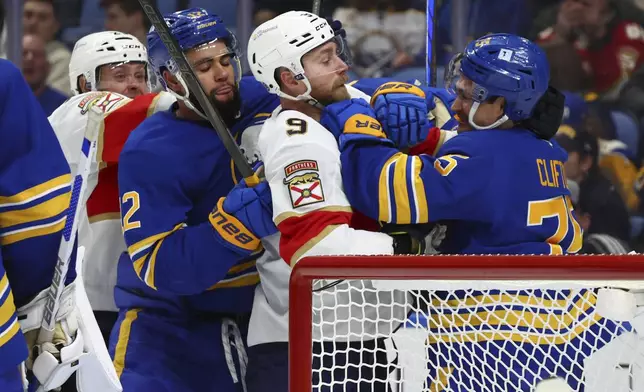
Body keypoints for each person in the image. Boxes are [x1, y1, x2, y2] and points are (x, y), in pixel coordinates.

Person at [324, 33, 635, 390]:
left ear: (502, 105)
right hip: (561, 317)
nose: (455, 105)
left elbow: (384, 190)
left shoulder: (484, 157)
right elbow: (459, 144)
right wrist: (418, 102)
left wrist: (357, 118)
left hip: (497, 328)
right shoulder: (540, 146)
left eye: (466, 95)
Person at [245, 11, 454, 391]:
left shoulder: (344, 99)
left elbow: (441, 142)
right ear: (291, 79)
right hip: (311, 344)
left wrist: (417, 100)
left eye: (336, 52)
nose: (342, 65)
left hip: (362, 331)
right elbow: (315, 245)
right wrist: (409, 246)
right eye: (326, 60)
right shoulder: (296, 139)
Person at [110, 8, 279, 392]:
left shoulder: (260, 98)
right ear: (171, 78)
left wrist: (402, 94)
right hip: (169, 332)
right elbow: (157, 264)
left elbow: (334, 91)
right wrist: (233, 227)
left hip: (261, 319)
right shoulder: (151, 150)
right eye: (203, 67)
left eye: (224, 60)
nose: (221, 74)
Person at [48, 30, 175, 344]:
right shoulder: (78, 112)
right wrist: (207, 100)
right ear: (83, 83)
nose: (132, 84)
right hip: (84, 305)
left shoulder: (157, 124)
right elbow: (135, 116)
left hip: (131, 296)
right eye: (119, 75)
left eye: (139, 74)